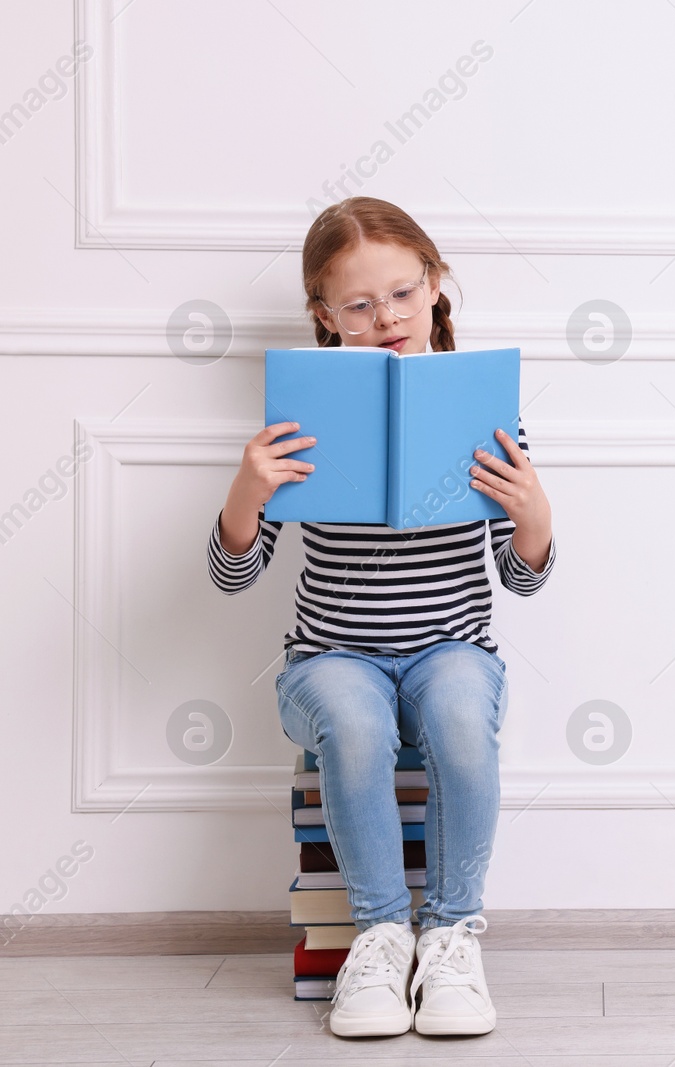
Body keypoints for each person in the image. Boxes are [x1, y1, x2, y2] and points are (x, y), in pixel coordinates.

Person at [207, 196, 555, 1037]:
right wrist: (247, 493)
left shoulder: (483, 409)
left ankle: (452, 934)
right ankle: (379, 932)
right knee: (357, 726)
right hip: (330, 657)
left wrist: (536, 515)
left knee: (463, 715)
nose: (385, 317)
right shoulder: (304, 418)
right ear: (325, 317)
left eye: (402, 293)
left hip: (451, 648)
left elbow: (521, 576)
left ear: (437, 287)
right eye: (358, 305)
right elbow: (233, 573)